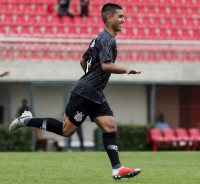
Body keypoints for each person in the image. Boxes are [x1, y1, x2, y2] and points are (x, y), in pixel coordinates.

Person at [9, 3, 141, 180]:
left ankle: (117, 168)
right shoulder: (106, 39)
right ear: (109, 18)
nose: (124, 20)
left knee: (110, 126)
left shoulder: (99, 38)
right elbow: (105, 65)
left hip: (95, 93)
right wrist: (125, 69)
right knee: (66, 130)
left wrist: (90, 77)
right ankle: (27, 120)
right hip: (85, 94)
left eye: (124, 17)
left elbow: (82, 61)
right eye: (120, 16)